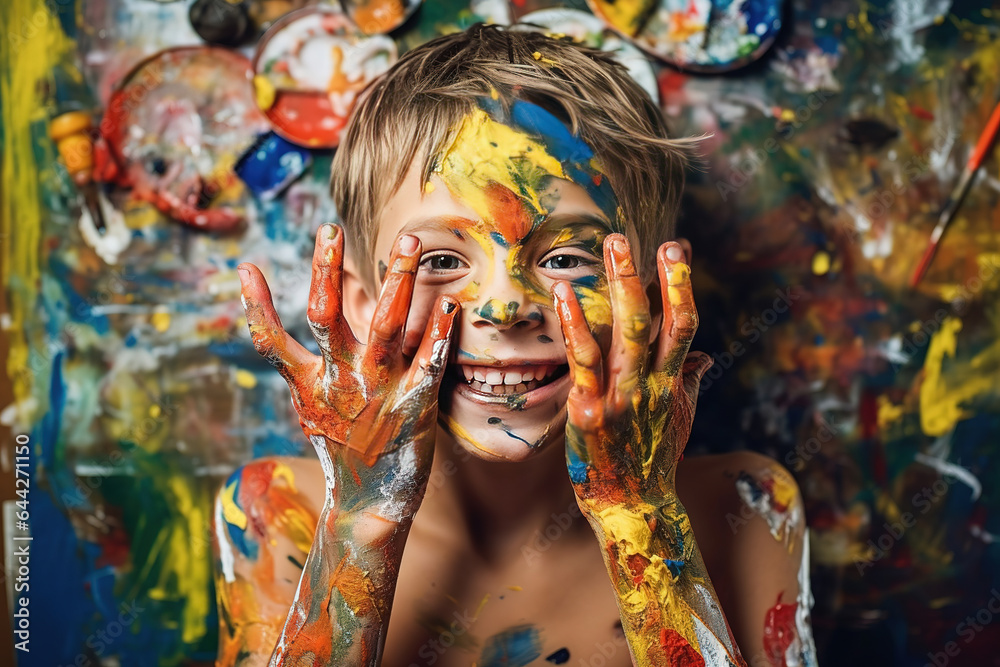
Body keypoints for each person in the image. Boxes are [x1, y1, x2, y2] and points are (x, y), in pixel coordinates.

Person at [214, 24, 816, 667]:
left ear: (662, 297)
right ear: (361, 308)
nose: (504, 307)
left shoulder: (750, 508)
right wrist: (362, 525)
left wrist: (635, 515)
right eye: (442, 258)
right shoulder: (276, 513)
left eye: (567, 256)